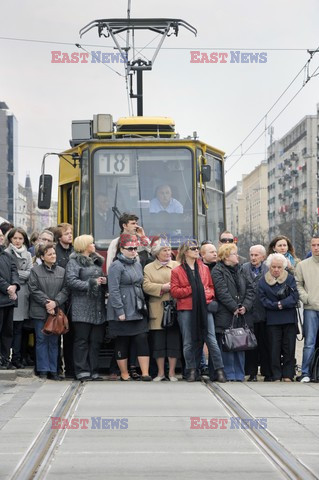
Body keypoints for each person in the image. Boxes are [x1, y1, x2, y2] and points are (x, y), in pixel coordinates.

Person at [171, 240, 226, 383]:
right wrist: (193, 289)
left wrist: (204, 294)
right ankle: (191, 370)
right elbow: (174, 291)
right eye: (193, 248)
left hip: (204, 307)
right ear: (185, 252)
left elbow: (210, 288)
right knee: (188, 341)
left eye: (197, 248)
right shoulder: (177, 271)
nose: (196, 251)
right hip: (186, 309)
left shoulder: (204, 268)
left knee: (211, 339)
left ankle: (219, 370)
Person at [107, 234, 151, 381]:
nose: (133, 251)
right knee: (122, 340)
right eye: (130, 249)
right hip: (124, 307)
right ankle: (124, 373)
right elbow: (113, 290)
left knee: (142, 337)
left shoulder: (137, 264)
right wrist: (119, 310)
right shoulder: (116, 266)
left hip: (137, 306)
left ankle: (145, 372)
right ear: (121, 249)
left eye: (135, 248)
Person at [66, 235, 107, 382]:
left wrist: (103, 281)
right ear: (84, 245)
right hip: (81, 306)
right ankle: (82, 370)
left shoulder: (96, 261)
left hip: (97, 306)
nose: (94, 245)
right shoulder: (74, 262)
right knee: (82, 340)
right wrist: (92, 283)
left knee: (96, 341)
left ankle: (94, 370)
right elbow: (71, 281)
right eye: (91, 243)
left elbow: (98, 279)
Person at [211, 243, 255, 382]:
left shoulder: (241, 269)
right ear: (226, 257)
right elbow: (221, 291)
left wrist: (245, 306)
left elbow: (250, 289)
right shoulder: (217, 270)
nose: (237, 256)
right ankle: (229, 374)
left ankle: (239, 374)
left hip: (241, 313)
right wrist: (234, 307)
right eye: (234, 254)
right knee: (228, 344)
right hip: (225, 314)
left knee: (240, 343)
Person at [28, 243, 68, 380]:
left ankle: (54, 370)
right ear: (42, 256)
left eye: (54, 253)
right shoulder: (35, 271)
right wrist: (47, 302)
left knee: (54, 341)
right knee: (41, 340)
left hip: (55, 311)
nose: (53, 256)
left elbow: (65, 290)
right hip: (40, 311)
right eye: (49, 254)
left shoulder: (62, 271)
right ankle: (43, 369)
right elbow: (33, 289)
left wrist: (55, 302)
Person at [143, 238, 180, 381]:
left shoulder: (177, 265)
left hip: (173, 308)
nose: (168, 252)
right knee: (158, 343)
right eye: (164, 250)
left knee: (173, 341)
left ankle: (171, 373)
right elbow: (146, 285)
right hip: (157, 308)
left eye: (169, 250)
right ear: (157, 253)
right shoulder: (148, 267)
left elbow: (183, 282)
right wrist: (162, 288)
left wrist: (173, 288)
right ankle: (160, 373)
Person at [258, 253, 299, 382]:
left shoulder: (290, 278)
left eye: (279, 267)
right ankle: (276, 374)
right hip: (272, 319)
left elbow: (294, 297)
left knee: (289, 347)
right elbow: (262, 299)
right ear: (269, 267)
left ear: (284, 267)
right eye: (273, 267)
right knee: (274, 348)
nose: (276, 270)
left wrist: (280, 304)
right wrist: (277, 305)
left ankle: (288, 374)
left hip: (289, 318)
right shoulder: (262, 280)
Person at [242, 245, 271, 381]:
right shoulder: (244, 268)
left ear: (263, 257)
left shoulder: (268, 269)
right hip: (248, 312)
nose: (253, 258)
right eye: (251, 255)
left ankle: (266, 372)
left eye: (256, 255)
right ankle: (251, 372)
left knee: (265, 343)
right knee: (250, 344)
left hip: (264, 311)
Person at [5, 228, 32, 369]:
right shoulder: (6, 253)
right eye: (15, 238)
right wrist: (17, 275)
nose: (17, 241)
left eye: (20, 238)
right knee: (9, 328)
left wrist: (15, 274)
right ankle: (7, 357)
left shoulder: (27, 254)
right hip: (9, 293)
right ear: (10, 239)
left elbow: (30, 273)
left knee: (20, 329)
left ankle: (17, 357)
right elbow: (7, 274)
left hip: (23, 294)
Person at [295, 236, 319, 382]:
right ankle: (305, 372)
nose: (316, 248)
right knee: (309, 342)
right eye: (313, 245)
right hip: (311, 308)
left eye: (318, 245)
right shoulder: (303, 265)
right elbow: (298, 284)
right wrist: (306, 298)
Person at [55, 223, 74, 379]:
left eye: (71, 233)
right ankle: (56, 368)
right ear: (59, 236)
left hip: (73, 298)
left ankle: (70, 368)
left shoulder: (75, 250)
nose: (70, 235)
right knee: (56, 333)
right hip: (59, 296)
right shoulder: (54, 251)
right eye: (66, 233)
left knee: (70, 335)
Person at [0, 243, 20, 369]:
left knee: (7, 332)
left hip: (8, 299)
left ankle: (5, 358)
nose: (1, 237)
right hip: (4, 296)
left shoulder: (6, 255)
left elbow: (14, 271)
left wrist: (14, 285)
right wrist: (7, 287)